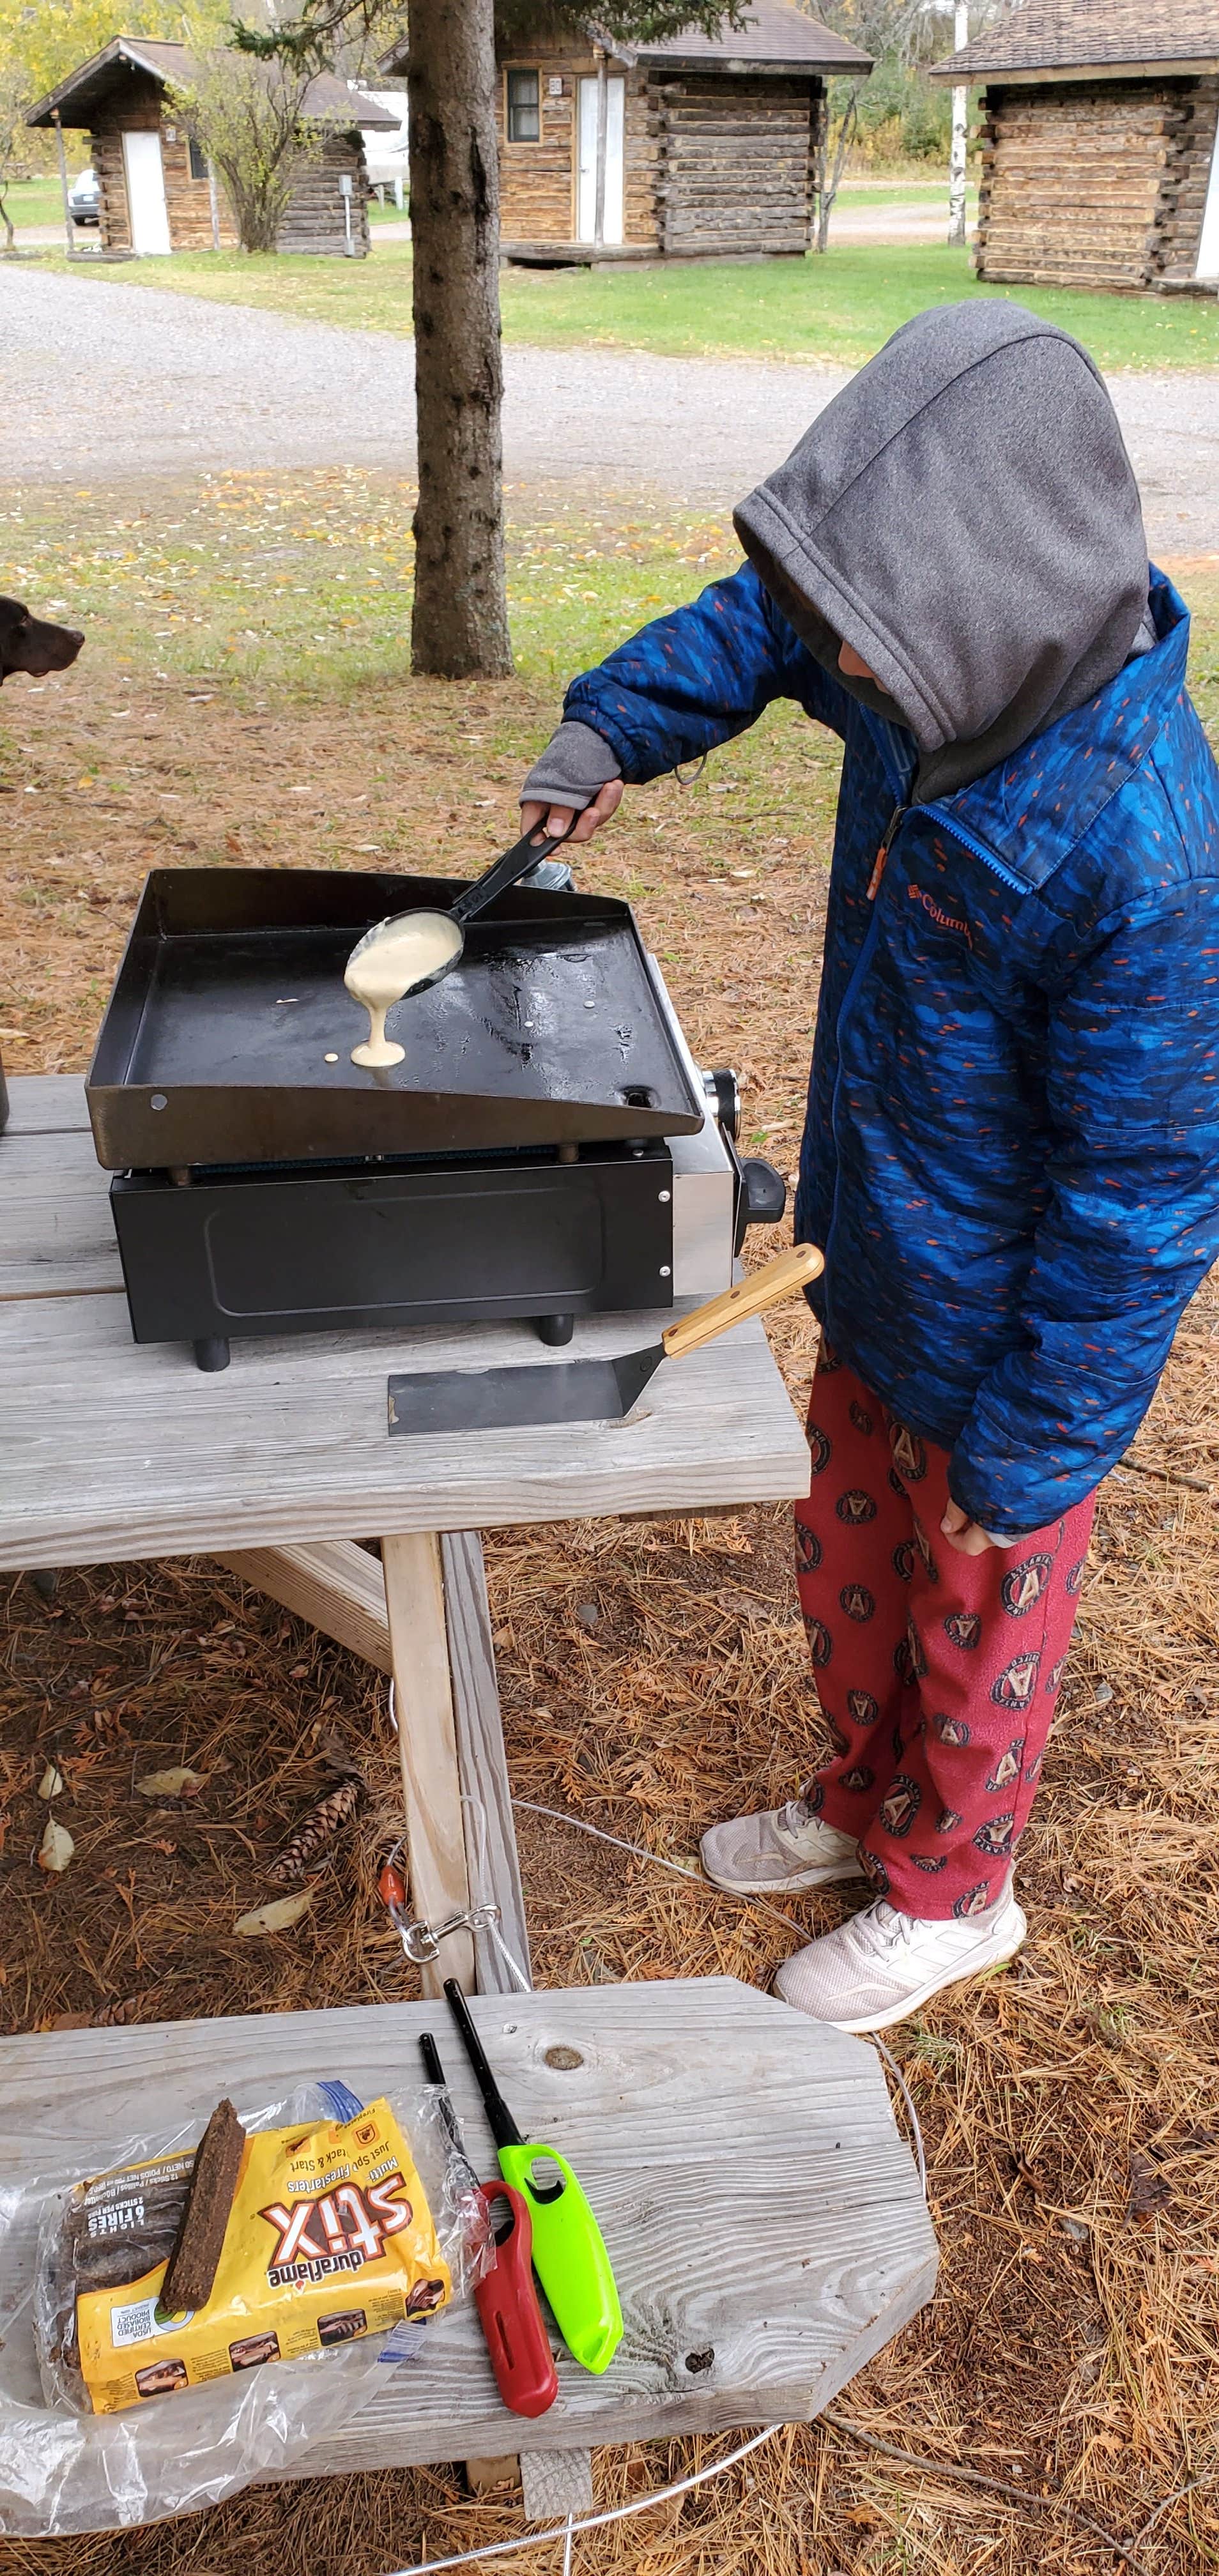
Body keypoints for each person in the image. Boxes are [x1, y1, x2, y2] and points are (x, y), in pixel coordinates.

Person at [519, 302, 1219, 2033]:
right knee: (855, 1575)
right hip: (871, 1253)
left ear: (981, 592)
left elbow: (1146, 1192)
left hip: (1007, 1352)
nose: (832, 657)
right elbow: (763, 621)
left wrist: (1036, 1445)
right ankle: (862, 1793)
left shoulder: (1143, 854)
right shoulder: (927, 659)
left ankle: (953, 1889)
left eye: (859, 630)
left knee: (977, 1608)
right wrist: (613, 728)